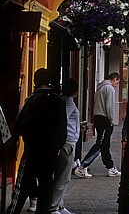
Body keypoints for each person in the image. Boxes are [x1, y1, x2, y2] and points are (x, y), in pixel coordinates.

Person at [7, 68, 66, 214]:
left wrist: (27, 137)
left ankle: (14, 211)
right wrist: (58, 145)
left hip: (32, 150)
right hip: (51, 151)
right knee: (46, 186)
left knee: (23, 186)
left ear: (35, 81)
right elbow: (62, 127)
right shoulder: (58, 101)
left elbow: (19, 124)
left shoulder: (32, 100)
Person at [74, 72, 120, 178]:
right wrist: (111, 120)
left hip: (97, 116)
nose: (116, 85)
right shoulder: (110, 89)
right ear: (114, 79)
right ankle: (82, 166)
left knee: (105, 144)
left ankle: (110, 167)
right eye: (117, 82)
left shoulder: (99, 88)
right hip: (105, 119)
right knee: (100, 144)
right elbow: (109, 106)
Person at [50, 78, 79, 214]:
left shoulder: (63, 101)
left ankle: (59, 204)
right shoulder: (69, 103)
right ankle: (54, 206)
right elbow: (63, 119)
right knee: (64, 177)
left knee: (60, 174)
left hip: (67, 140)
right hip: (68, 142)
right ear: (76, 91)